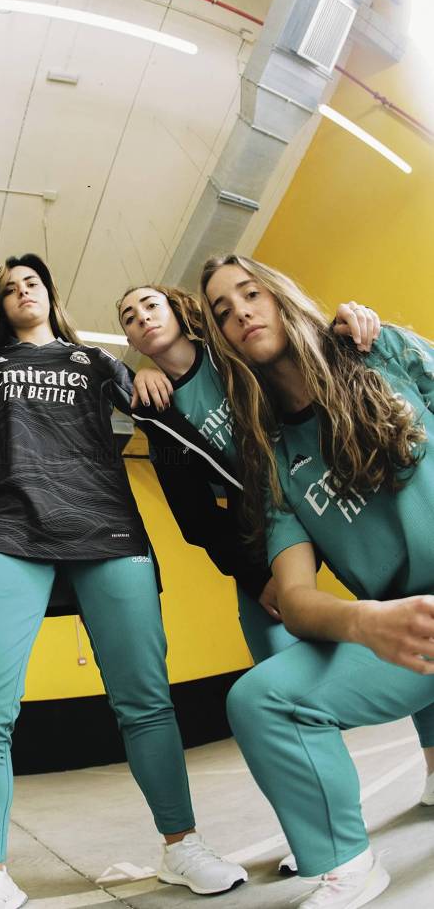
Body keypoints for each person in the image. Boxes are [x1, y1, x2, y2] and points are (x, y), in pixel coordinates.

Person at [0, 253, 248, 908]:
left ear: (49, 295)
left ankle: (181, 846)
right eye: (10, 287)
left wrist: (155, 376)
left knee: (145, 702)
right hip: (8, 535)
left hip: (106, 532)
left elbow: (174, 398)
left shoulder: (95, 362)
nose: (24, 290)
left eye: (33, 282)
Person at [198, 253, 434, 909]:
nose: (239, 311)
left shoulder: (379, 351)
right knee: (259, 699)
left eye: (249, 293)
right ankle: (346, 861)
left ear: (278, 297)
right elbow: (295, 600)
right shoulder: (273, 459)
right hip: (411, 627)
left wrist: (371, 331)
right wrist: (367, 621)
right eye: (221, 311)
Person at [118, 284, 380, 665]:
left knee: (394, 599)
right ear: (131, 341)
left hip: (321, 489)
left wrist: (352, 320)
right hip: (266, 527)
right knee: (275, 655)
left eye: (151, 305)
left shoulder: (229, 349)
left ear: (175, 310)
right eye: (130, 317)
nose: (142, 317)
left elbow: (299, 353)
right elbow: (196, 518)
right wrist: (256, 581)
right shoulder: (161, 418)